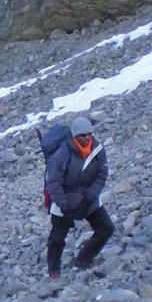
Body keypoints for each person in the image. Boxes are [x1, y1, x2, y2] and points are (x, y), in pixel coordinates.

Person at [45, 115, 114, 277]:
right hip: (65, 200)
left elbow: (101, 175)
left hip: (87, 199)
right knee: (57, 238)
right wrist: (64, 205)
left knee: (106, 228)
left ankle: (84, 258)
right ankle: (53, 271)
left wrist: (89, 198)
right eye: (83, 135)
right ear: (75, 136)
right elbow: (53, 183)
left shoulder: (97, 150)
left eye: (89, 134)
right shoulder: (61, 154)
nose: (88, 137)